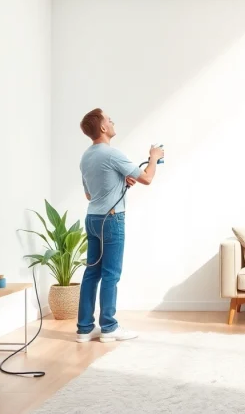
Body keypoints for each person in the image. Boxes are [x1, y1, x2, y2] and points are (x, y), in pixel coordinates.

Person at [76, 108, 164, 343]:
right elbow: (147, 178)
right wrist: (154, 156)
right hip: (111, 219)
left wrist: (119, 181)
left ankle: (84, 329)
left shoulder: (86, 157)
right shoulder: (112, 154)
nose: (112, 121)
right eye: (109, 119)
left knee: (91, 273)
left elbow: (89, 195)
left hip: (92, 219)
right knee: (110, 274)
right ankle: (109, 328)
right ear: (103, 128)